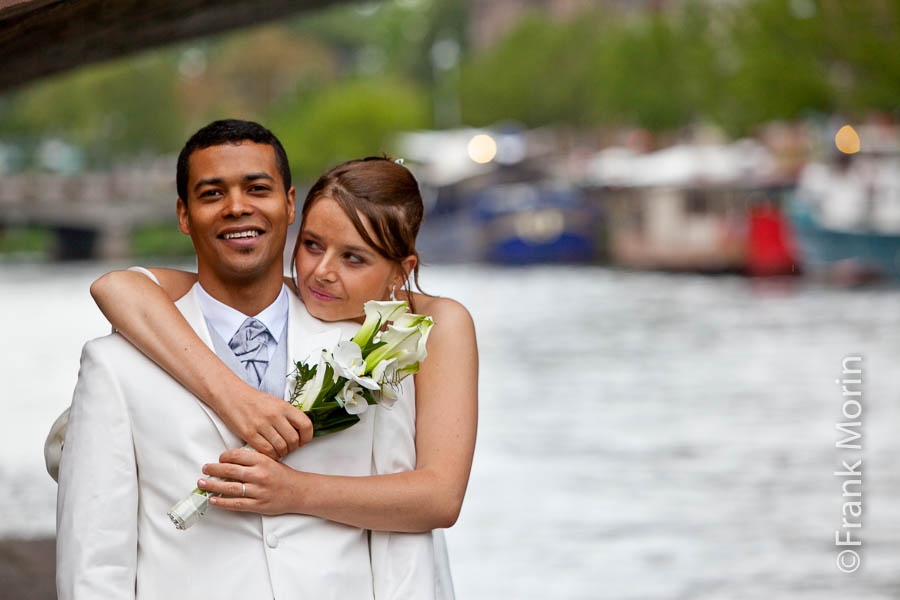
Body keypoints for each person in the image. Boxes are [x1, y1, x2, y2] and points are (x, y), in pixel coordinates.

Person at [56, 120, 478, 599]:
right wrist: (236, 400)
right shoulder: (116, 362)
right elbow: (94, 563)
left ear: (289, 204)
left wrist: (293, 491)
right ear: (184, 214)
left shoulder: (377, 345)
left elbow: (418, 521)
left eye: (257, 188)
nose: (237, 206)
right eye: (212, 193)